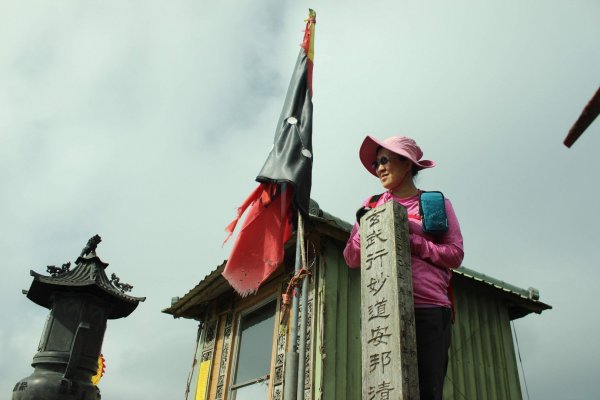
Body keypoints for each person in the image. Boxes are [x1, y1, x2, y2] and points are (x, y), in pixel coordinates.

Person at [343, 135, 464, 400]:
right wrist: (367, 229)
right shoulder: (371, 206)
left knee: (427, 391)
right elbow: (351, 258)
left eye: (385, 160)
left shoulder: (434, 204)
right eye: (376, 164)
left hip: (430, 308)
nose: (379, 169)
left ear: (407, 164)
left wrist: (414, 243)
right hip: (383, 309)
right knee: (387, 389)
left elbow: (455, 255)